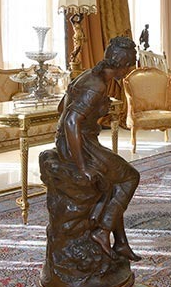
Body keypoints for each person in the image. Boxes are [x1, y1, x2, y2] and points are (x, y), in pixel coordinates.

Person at [53, 35, 141, 263]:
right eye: (130, 65)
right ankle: (102, 231)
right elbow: (70, 121)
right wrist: (83, 167)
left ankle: (121, 243)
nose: (129, 70)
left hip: (78, 141)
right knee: (130, 177)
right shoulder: (98, 86)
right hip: (78, 146)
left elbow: (61, 108)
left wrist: (94, 112)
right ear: (122, 65)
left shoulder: (90, 75)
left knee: (112, 182)